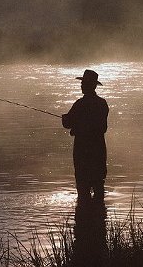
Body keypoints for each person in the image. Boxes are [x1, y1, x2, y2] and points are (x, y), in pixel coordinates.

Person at [62, 69, 109, 201]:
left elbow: (67, 124)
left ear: (90, 85)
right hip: (99, 150)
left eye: (84, 84)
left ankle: (83, 217)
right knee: (99, 188)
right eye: (82, 83)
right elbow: (102, 128)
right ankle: (99, 218)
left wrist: (66, 120)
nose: (81, 86)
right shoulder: (102, 104)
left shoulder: (80, 104)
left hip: (82, 152)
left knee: (83, 190)